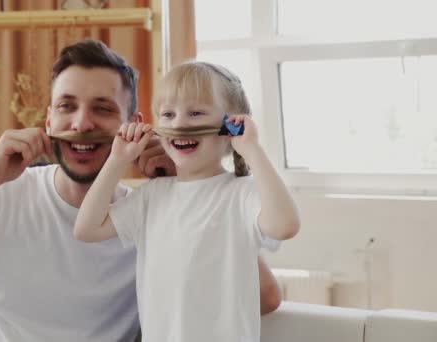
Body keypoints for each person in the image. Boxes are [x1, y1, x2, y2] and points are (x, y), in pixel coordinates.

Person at [0, 40, 282, 342]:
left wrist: (189, 189)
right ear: (48, 122)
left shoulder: (152, 213)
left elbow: (263, 296)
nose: (81, 123)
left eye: (103, 108)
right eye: (67, 106)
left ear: (132, 126)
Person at [74, 61, 300, 341]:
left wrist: (251, 149)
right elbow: (86, 229)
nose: (179, 124)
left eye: (195, 113)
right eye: (168, 114)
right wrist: (117, 160)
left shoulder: (242, 194)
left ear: (230, 127)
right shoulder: (151, 196)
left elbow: (285, 225)